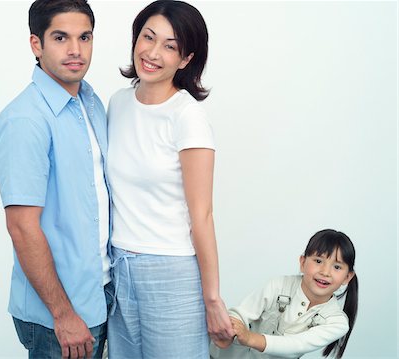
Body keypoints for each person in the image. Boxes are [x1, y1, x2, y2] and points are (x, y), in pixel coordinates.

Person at [105, 1, 234, 358]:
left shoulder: (187, 116)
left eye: (170, 45)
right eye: (148, 37)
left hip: (171, 272)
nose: (153, 52)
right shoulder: (117, 103)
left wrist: (212, 298)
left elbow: (202, 215)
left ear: (186, 58)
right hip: (119, 269)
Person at [0, 0, 113, 358]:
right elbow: (22, 227)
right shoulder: (25, 120)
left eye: (84, 37)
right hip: (59, 313)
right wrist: (63, 314)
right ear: (36, 45)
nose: (76, 50)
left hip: (100, 295)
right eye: (61, 37)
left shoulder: (90, 103)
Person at [210, 229, 359, 359]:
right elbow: (243, 312)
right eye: (318, 261)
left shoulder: (337, 323)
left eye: (337, 267)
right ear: (302, 262)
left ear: (347, 277)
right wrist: (228, 330)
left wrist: (249, 338)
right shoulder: (278, 285)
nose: (325, 272)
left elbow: (297, 344)